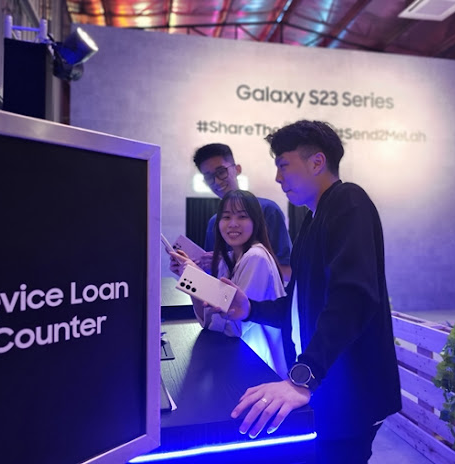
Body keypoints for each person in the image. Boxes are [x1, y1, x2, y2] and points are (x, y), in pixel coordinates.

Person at [214, 121, 401, 463]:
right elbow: (298, 306)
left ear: (317, 162)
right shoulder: (313, 220)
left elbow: (353, 298)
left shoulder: (349, 201)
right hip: (325, 385)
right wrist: (250, 309)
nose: (278, 177)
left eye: (284, 165)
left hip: (349, 390)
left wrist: (304, 376)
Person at [170, 190, 289, 379]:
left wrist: (196, 277)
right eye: (226, 217)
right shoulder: (229, 259)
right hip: (239, 361)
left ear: (256, 222)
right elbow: (208, 322)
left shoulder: (256, 257)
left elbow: (234, 327)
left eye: (242, 216)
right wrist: (190, 278)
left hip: (259, 368)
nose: (233, 224)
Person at [191, 143, 292, 280]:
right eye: (209, 177)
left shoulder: (268, 210)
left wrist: (230, 264)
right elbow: (213, 277)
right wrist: (192, 267)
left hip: (260, 294)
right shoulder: (214, 222)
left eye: (221, 172)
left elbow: (287, 272)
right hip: (224, 293)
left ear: (237, 169)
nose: (217, 181)